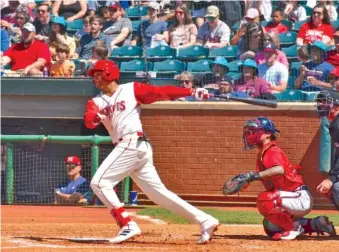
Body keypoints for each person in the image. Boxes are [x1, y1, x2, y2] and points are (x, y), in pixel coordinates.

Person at [84, 59, 219, 244]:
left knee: (99, 183)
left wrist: (192, 91)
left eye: (97, 74)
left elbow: (160, 92)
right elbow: (88, 118)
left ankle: (127, 225)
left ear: (109, 73)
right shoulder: (96, 101)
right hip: (133, 148)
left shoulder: (130, 89)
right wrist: (95, 117)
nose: (95, 78)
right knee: (158, 195)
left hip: (132, 143)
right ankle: (206, 220)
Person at [239, 116, 336, 240]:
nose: (250, 134)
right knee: (271, 226)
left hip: (298, 197)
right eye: (248, 131)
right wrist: (248, 181)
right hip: (290, 198)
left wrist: (254, 176)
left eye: (254, 131)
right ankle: (316, 223)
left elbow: (279, 169)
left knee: (265, 199)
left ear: (268, 133)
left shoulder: (272, 150)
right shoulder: (263, 154)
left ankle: (293, 228)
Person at [315, 89, 339, 210]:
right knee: (334, 191)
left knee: (336, 187)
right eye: (321, 102)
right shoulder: (335, 124)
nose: (322, 105)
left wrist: (331, 179)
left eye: (326, 102)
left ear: (337, 107)